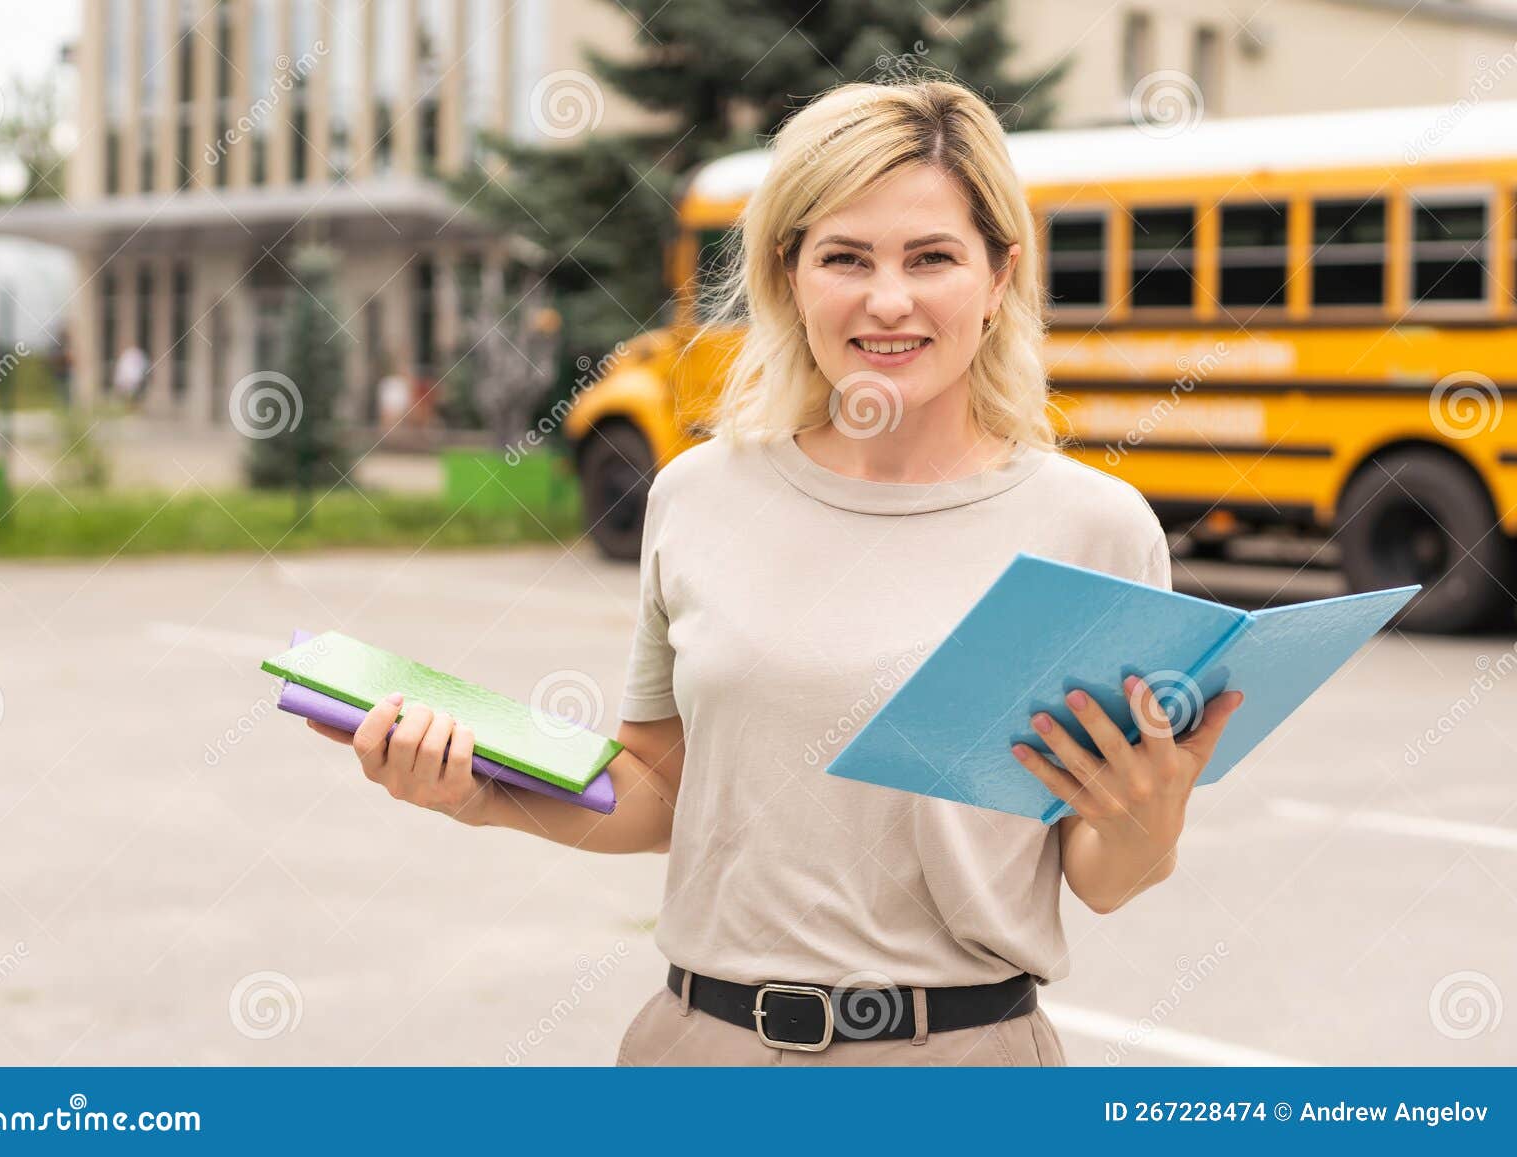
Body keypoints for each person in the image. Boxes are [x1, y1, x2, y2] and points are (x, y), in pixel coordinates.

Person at [306, 76, 1246, 1066]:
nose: (888, 298)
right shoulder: (698, 493)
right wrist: (475, 787)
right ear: (788, 273)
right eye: (844, 257)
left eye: (932, 257)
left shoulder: (1092, 528)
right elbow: (661, 792)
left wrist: (1152, 807)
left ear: (999, 275)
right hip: (698, 1053)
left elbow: (1101, 872)